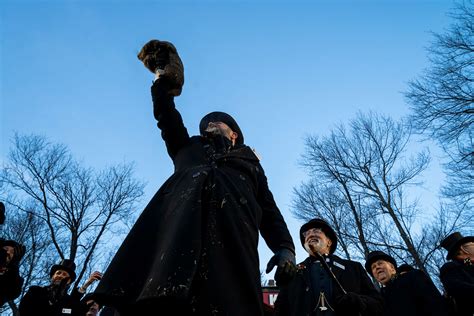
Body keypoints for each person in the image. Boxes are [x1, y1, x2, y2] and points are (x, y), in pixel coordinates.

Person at [94, 40, 296, 316]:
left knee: (230, 302)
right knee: (165, 299)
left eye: (216, 121)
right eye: (204, 123)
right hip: (178, 233)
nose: (208, 124)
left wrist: (285, 248)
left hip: (234, 237)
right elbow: (166, 116)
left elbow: (270, 211)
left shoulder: (251, 165)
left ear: (234, 133)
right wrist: (163, 82)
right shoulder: (187, 147)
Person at [274, 218, 383, 316]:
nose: (310, 235)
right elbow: (280, 309)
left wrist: (358, 301)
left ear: (329, 242)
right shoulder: (294, 272)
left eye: (316, 231)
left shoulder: (353, 268)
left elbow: (378, 304)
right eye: (307, 233)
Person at [365, 250, 447, 316]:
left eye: (380, 263)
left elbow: (436, 305)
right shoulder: (380, 298)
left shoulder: (413, 277)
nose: (377, 267)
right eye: (373, 267)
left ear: (392, 268)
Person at [19, 259, 86, 316]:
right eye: (58, 273)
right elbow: (23, 309)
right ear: (52, 276)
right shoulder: (35, 291)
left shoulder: (69, 302)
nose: (60, 276)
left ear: (69, 281)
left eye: (64, 274)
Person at [439, 232, 474, 316]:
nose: (473, 244)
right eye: (471, 243)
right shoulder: (451, 267)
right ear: (461, 251)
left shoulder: (469, 264)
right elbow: (456, 288)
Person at [0, 239, 25, 306]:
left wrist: (14, 266)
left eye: (12, 252)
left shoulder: (15, 280)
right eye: (6, 248)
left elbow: (13, 292)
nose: (8, 252)